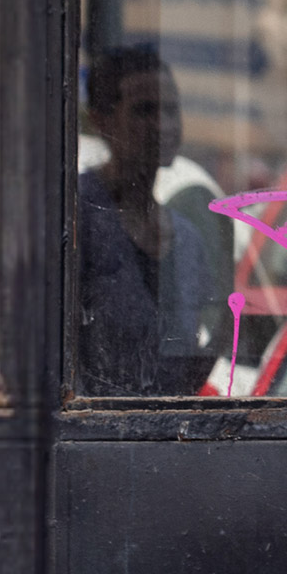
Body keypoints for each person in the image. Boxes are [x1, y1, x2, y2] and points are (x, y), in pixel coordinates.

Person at [78, 44, 219, 395]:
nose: (163, 125)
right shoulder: (76, 215)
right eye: (144, 110)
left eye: (171, 110)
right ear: (102, 119)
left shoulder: (186, 239)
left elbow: (178, 372)